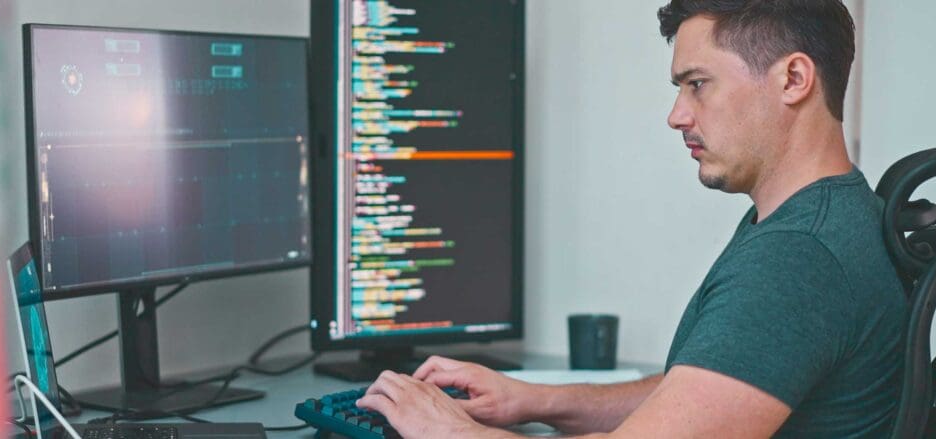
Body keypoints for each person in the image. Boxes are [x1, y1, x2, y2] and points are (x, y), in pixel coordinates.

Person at [355, 0, 907, 437]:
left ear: (793, 79)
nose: (677, 115)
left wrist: (444, 429)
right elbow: (700, 395)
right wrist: (534, 400)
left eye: (698, 83)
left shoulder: (798, 259)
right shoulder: (830, 214)